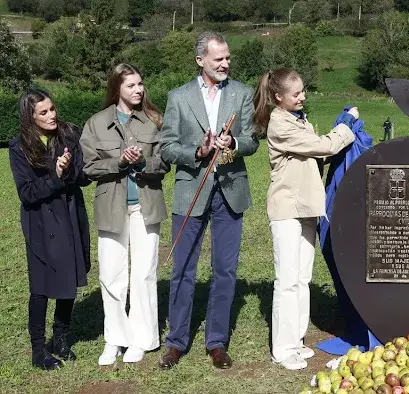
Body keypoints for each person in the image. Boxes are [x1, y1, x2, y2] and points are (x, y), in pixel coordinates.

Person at [158, 31, 259, 370]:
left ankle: (217, 342)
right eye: (218, 59)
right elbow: (167, 146)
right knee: (183, 269)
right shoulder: (178, 97)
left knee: (225, 271)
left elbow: (252, 141)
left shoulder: (242, 93)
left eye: (227, 58)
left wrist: (233, 143)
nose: (225, 64)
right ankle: (176, 342)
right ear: (201, 60)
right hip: (191, 191)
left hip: (231, 191)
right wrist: (197, 151)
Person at [252, 67, 357, 370]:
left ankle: (296, 341)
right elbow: (324, 146)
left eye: (302, 91)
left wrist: (337, 131)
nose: (302, 97)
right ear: (278, 97)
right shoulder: (279, 125)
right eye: (296, 94)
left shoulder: (300, 121)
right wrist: (346, 125)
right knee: (286, 281)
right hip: (287, 210)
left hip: (307, 208)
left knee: (302, 279)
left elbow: (319, 154)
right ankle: (282, 349)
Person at [79, 63, 170, 365]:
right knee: (111, 275)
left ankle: (142, 339)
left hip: (145, 206)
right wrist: (118, 161)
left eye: (140, 84)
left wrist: (144, 163)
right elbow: (89, 167)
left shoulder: (154, 121)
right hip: (111, 207)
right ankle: (115, 339)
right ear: (116, 88)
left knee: (144, 274)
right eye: (131, 85)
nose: (139, 90)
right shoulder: (96, 123)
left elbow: (165, 163)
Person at [9, 89, 92, 370]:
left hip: (70, 215)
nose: (52, 115)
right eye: (43, 112)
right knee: (41, 285)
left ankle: (61, 338)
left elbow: (84, 177)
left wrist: (69, 171)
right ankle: (37, 349)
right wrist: (56, 176)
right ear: (30, 117)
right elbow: (27, 193)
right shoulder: (18, 147)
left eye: (52, 108)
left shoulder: (69, 135)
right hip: (41, 222)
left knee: (69, 275)